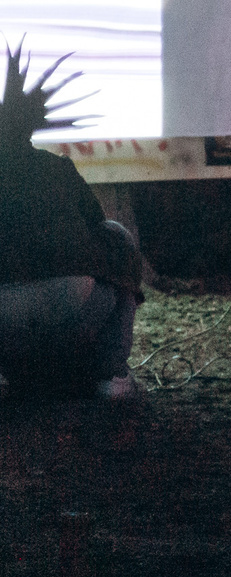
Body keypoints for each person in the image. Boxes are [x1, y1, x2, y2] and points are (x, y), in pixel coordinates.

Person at [0, 49, 147, 400]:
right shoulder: (58, 168)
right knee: (119, 236)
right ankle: (112, 375)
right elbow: (99, 225)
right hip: (73, 303)